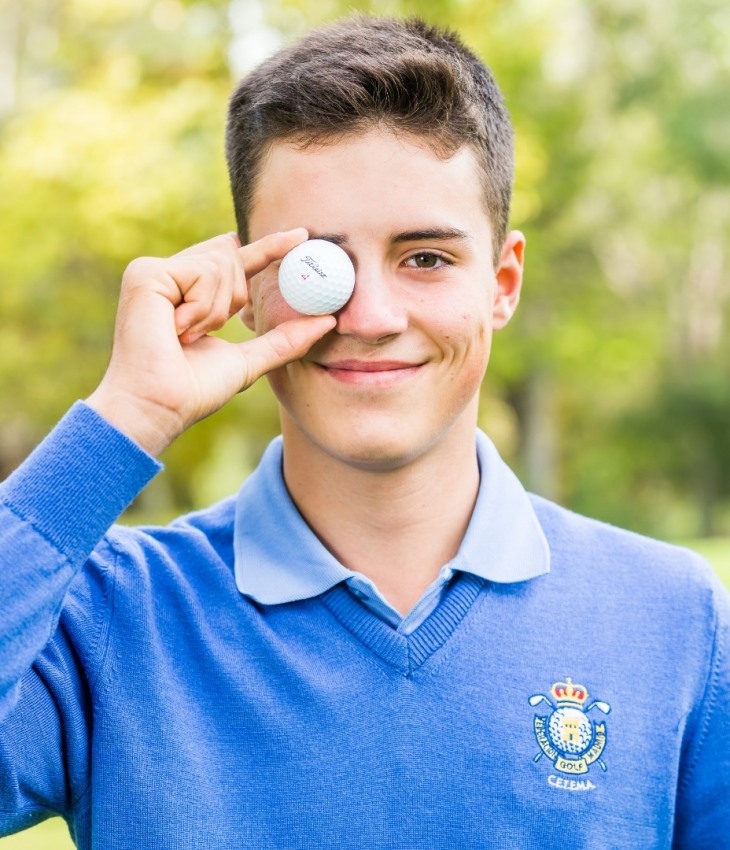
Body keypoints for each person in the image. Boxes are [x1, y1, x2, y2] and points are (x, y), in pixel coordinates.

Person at [1, 14, 728, 850]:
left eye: (426, 258)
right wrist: (127, 416)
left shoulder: (674, 621)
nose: (373, 318)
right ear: (249, 283)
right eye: (321, 267)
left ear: (502, 282)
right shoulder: (108, 616)